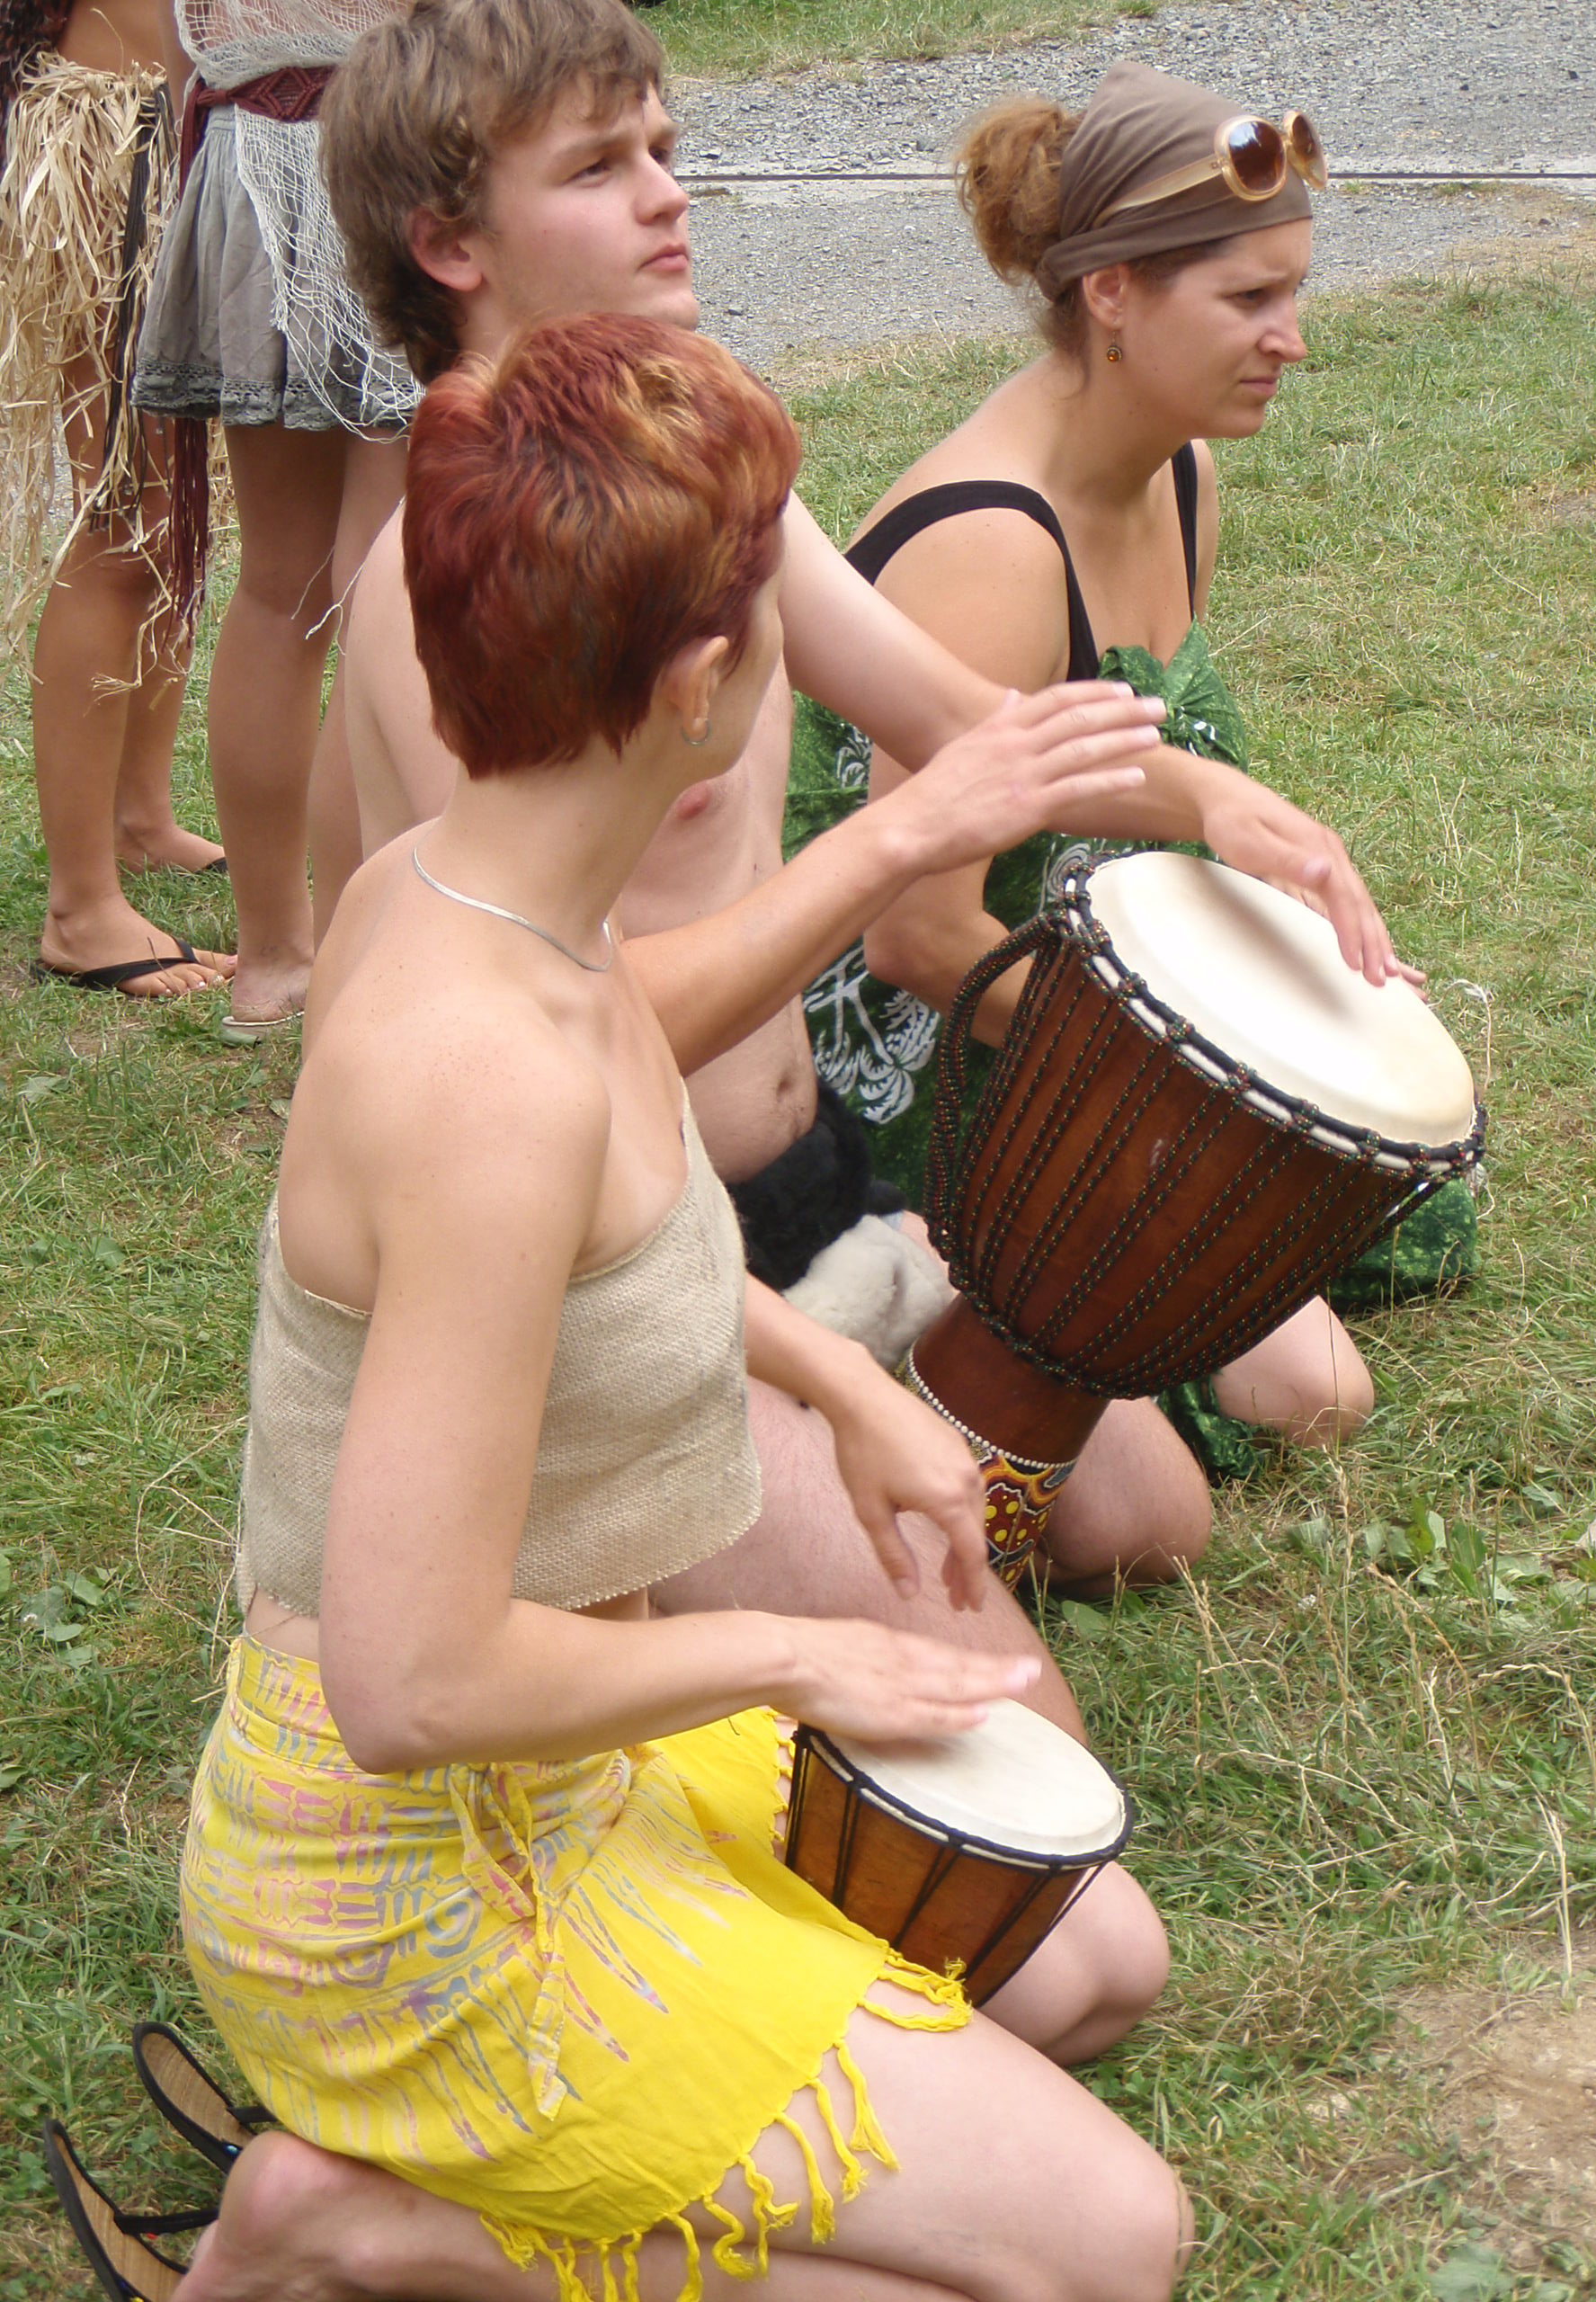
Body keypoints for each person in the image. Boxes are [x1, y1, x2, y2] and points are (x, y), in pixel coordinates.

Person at [169, 309, 1190, 2302]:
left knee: (1095, 1962)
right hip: (418, 1898)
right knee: (1111, 2249)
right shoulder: (491, 1084)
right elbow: (410, 1682)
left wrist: (846, 1384)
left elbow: (604, 1237)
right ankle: (350, 2232)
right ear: (705, 683)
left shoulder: (460, 897)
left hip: (570, 1778)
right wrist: (801, 1655)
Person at [325, 0, 1410, 1600]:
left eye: (665, 149)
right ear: (448, 244)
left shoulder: (692, 458)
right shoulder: (446, 582)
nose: (668, 193)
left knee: (1147, 1524)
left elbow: (963, 719)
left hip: (809, 1176)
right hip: (605, 1259)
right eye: (600, 167)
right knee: (972, 1678)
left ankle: (801, 1488)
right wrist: (896, 840)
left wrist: (1223, 810)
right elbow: (537, 1031)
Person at [787, 63, 1478, 1444]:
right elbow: (915, 940)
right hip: (930, 1069)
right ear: (1111, 294)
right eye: (1249, 299)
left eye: (1294, 293)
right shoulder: (991, 543)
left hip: (1078, 1006)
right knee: (1305, 1394)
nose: (1291, 339)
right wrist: (1196, 1084)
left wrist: (1248, 890)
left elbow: (1122, 798)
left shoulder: (1180, 468)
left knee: (1368, 1274)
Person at [130, 0, 418, 1039]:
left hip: (244, 150)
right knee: (378, 590)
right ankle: (352, 951)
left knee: (282, 585)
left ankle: (275, 959)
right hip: (391, 154)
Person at [2, 0, 231, 998]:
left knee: (184, 509)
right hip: (119, 133)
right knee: (130, 517)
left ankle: (140, 815)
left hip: (196, 117)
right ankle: (80, 910)